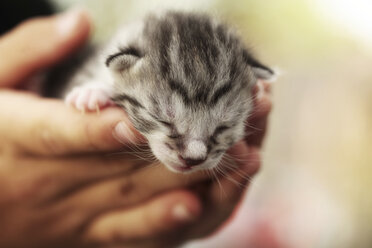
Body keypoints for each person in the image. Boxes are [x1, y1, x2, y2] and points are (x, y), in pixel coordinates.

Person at [0, 8, 272, 248]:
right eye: (168, 121)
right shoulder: (111, 69)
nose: (197, 152)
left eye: (221, 127)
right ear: (121, 70)